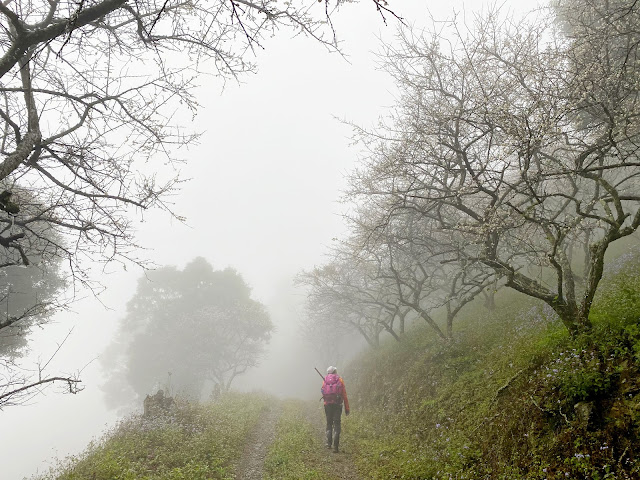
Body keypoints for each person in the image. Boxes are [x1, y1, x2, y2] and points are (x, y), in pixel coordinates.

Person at [321, 365, 350, 453]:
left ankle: (329, 444)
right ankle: (336, 447)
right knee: (337, 424)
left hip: (327, 405)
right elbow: (344, 394)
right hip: (337, 405)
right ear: (335, 372)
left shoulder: (325, 380)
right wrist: (347, 408)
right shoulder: (340, 380)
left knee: (329, 423)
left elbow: (323, 392)